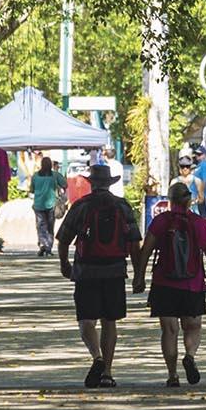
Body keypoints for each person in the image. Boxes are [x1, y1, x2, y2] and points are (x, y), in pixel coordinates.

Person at [57, 162, 142, 387]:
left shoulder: (81, 206)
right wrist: (138, 274)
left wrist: (64, 262)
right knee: (109, 321)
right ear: (110, 183)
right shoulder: (122, 206)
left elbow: (64, 237)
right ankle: (107, 372)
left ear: (92, 183)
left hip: (86, 271)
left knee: (86, 321)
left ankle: (97, 357)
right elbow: (134, 243)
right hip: (115, 270)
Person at [135, 180, 206, 386]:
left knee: (169, 330)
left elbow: (146, 251)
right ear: (189, 200)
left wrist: (138, 276)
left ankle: (172, 375)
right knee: (192, 326)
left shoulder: (160, 222)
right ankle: (190, 355)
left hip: (164, 284)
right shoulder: (200, 223)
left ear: (170, 200)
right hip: (193, 284)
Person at [31, 156, 67, 256]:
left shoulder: (35, 176)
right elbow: (65, 184)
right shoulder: (55, 175)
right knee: (50, 226)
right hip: (51, 205)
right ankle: (48, 246)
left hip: (38, 204)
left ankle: (43, 244)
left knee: (40, 226)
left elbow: (31, 190)